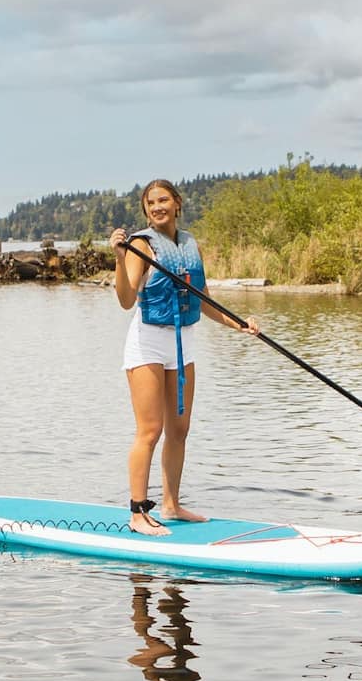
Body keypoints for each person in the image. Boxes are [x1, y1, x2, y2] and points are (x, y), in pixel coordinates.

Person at [109, 180, 258, 536]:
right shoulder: (140, 245)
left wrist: (239, 324)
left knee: (179, 430)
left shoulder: (190, 243)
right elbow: (126, 300)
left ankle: (171, 505)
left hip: (183, 344)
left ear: (177, 203)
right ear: (146, 210)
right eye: (150, 203)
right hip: (147, 343)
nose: (157, 207)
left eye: (163, 200)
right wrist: (118, 256)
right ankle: (137, 513)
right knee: (150, 430)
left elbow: (203, 299)